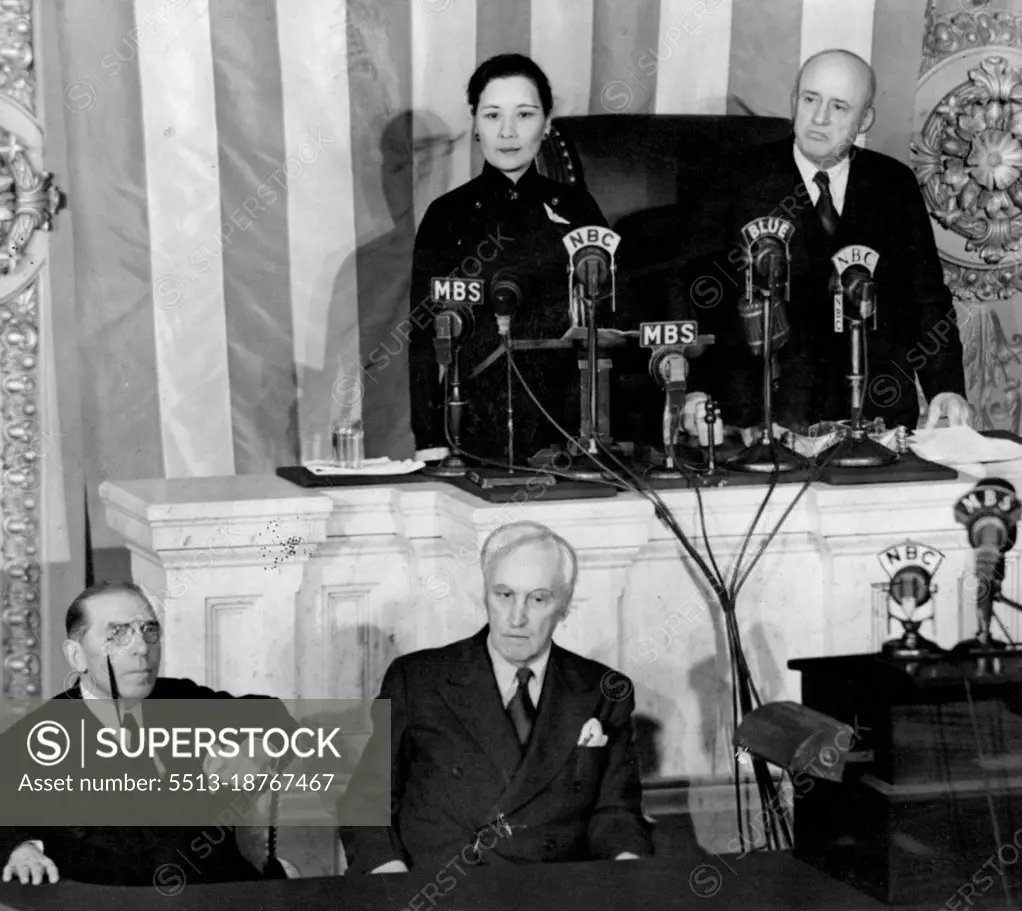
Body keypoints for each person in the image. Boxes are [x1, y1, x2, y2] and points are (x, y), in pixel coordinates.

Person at [680, 49, 969, 435]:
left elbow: (927, 299)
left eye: (839, 107)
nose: (819, 119)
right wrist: (691, 390)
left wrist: (946, 388)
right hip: (758, 417)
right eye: (810, 99)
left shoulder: (892, 184)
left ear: (865, 118)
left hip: (873, 415)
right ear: (794, 101)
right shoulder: (732, 180)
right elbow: (692, 295)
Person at [337, 521, 653, 872]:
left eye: (538, 598)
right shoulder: (418, 679)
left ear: (565, 606)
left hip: (553, 893)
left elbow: (615, 813)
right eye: (504, 595)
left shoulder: (603, 691)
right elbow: (365, 801)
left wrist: (632, 873)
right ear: (485, 594)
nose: (517, 618)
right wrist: (392, 879)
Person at [0, 582, 296, 886]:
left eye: (149, 630)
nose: (142, 647)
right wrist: (20, 848)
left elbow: (273, 716)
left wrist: (260, 746)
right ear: (76, 656)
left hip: (219, 893)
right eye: (118, 633)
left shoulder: (181, 698)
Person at [408, 54, 610, 464]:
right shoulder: (447, 216)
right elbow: (425, 340)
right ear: (475, 123)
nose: (507, 131)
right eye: (492, 115)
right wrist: (432, 444)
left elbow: (608, 318)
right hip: (475, 433)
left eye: (525, 114)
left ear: (548, 122)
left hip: (568, 429)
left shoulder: (578, 209)